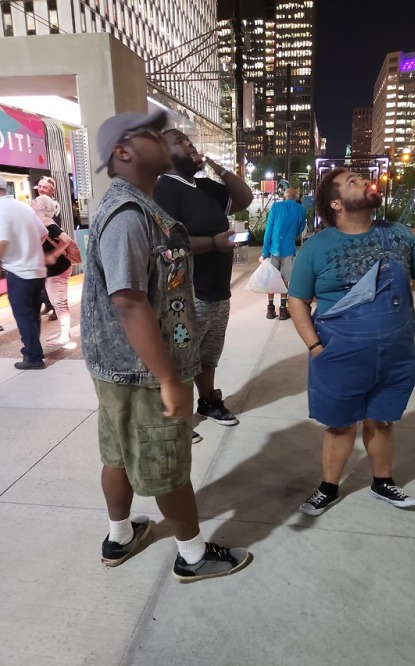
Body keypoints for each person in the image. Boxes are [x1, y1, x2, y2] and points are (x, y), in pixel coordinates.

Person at [80, 109, 251, 581]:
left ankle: (120, 535)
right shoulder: (130, 215)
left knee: (117, 452)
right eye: (152, 134)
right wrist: (169, 379)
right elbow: (130, 302)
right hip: (141, 372)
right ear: (125, 152)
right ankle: (193, 556)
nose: (165, 139)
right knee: (166, 464)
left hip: (124, 368)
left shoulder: (145, 206)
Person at [288, 167, 415, 516]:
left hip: (396, 354)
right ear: (335, 203)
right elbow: (297, 300)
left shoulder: (398, 234)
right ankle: (329, 487)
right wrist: (316, 347)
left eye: (362, 178)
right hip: (338, 355)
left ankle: (382, 482)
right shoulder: (316, 246)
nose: (365, 182)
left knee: (381, 420)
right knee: (340, 424)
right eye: (353, 182)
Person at [154, 130, 253, 440]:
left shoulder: (208, 186)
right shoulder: (164, 190)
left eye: (190, 141)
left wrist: (218, 167)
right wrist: (213, 243)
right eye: (180, 142)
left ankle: (208, 401)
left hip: (217, 289)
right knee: (182, 357)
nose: (189, 144)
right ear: (165, 154)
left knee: (209, 353)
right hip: (185, 293)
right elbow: (167, 244)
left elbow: (245, 198)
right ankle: (176, 417)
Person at [0, 176, 48, 369]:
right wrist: (29, 250)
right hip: (37, 270)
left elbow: (2, 242)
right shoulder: (24, 207)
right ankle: (32, 351)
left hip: (19, 272)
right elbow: (43, 233)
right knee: (33, 315)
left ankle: (34, 357)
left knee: (24, 316)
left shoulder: (1, 210)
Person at [260, 187, 306, 320]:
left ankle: (270, 309)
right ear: (296, 197)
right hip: (288, 249)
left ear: (285, 196)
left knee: (272, 279)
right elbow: (300, 229)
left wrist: (264, 252)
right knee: (285, 280)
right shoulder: (300, 209)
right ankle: (283, 310)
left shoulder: (276, 206)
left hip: (273, 249)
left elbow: (268, 230)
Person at [31, 195, 72, 346]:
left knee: (60, 303)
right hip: (53, 270)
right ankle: (63, 331)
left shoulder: (47, 223)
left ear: (42, 207)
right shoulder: (42, 222)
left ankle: (65, 334)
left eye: (36, 200)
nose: (32, 202)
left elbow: (66, 240)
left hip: (58, 269)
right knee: (56, 302)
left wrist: (53, 256)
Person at [36, 176, 60, 320]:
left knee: (54, 281)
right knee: (43, 279)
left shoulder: (54, 206)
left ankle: (58, 308)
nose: (41, 189)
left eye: (45, 187)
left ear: (53, 190)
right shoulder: (36, 203)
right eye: (39, 186)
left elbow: (53, 226)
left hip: (51, 248)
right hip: (40, 249)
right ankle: (48, 303)